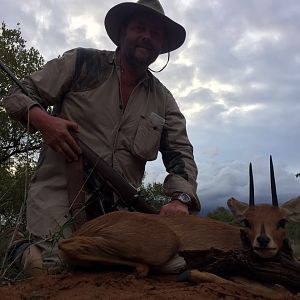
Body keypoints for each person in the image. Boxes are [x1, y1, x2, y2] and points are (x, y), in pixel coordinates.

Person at [3, 0, 200, 276]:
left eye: (156, 33)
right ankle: (16, 246)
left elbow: (181, 154)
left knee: (169, 265)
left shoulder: (164, 100)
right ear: (122, 33)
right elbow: (17, 94)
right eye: (139, 28)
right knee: (56, 267)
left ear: (161, 45)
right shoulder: (82, 63)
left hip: (118, 210)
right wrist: (44, 121)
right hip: (59, 195)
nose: (147, 36)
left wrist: (181, 199)